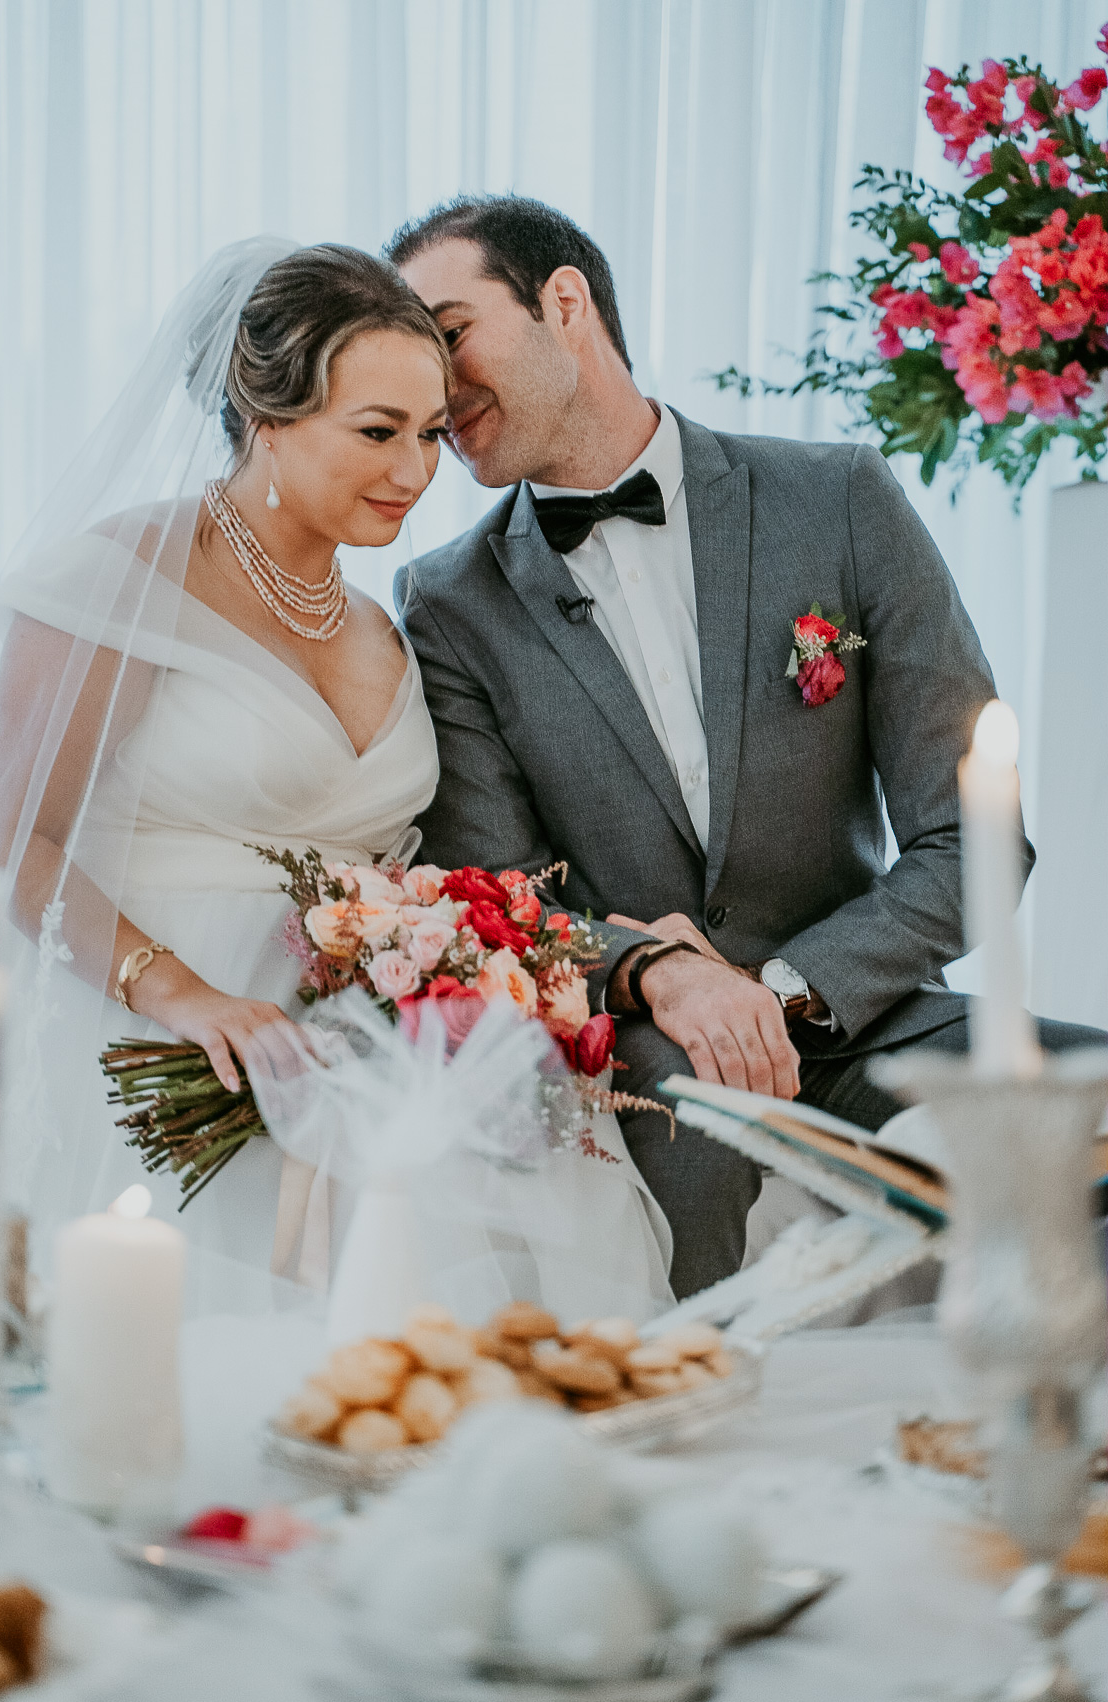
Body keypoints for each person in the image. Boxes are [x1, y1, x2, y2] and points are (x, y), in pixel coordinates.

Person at [387, 194, 1107, 1298]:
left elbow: (976, 840)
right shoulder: (447, 603)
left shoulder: (841, 499)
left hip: (871, 1015)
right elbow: (503, 903)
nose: (435, 388)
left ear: (564, 303)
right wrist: (658, 978)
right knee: (689, 1159)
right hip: (645, 1051)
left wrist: (781, 991)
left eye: (449, 333)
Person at [0, 237, 672, 1317]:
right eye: (377, 433)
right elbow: (10, 851)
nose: (415, 472)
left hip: (376, 1066)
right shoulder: (123, 580)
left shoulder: (391, 627)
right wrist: (192, 999)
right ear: (266, 419)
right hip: (172, 1040)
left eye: (431, 433)